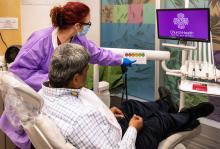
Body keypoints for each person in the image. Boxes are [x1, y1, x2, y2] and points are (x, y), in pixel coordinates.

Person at [39, 43, 214, 149]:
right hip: (125, 142)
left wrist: (105, 113)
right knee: (157, 121)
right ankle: (189, 115)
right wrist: (133, 129)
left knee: (130, 106)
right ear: (76, 79)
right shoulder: (82, 119)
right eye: (86, 71)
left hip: (104, 130)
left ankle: (165, 103)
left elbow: (86, 118)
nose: (88, 73)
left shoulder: (42, 95)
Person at [9, 1, 135, 92]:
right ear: (77, 26)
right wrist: (55, 82)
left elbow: (97, 54)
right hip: (32, 98)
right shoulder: (40, 40)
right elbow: (18, 72)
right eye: (88, 23)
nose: (89, 26)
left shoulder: (78, 40)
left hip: (58, 96)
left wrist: (120, 60)